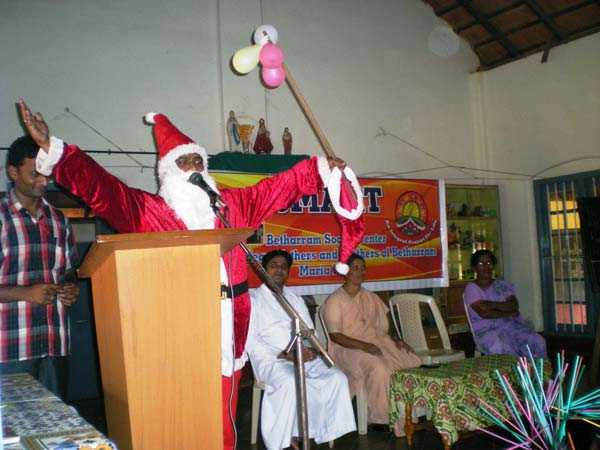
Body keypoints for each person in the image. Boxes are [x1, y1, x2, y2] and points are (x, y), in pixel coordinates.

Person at [18, 99, 364, 450]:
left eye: (198, 161)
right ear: (167, 171)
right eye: (183, 161)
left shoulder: (230, 207)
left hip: (229, 333)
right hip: (177, 336)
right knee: (181, 423)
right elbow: (104, 190)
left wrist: (319, 170)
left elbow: (276, 189)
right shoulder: (150, 212)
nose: (193, 168)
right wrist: (57, 152)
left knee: (223, 423)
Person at [246, 250, 356, 450]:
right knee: (291, 381)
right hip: (271, 359)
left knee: (336, 377)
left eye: (283, 267)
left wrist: (311, 350)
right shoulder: (253, 299)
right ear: (263, 270)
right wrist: (287, 355)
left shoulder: (295, 299)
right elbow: (251, 342)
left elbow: (309, 332)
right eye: (274, 265)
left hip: (299, 354)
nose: (279, 270)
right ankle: (286, 436)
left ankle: (315, 431)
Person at [0, 135, 80, 399]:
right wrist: (25, 293)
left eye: (46, 173)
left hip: (54, 344)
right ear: (13, 172)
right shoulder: (2, 219)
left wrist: (70, 287)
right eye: (34, 173)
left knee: (57, 423)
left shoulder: (60, 220)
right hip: (9, 350)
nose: (44, 181)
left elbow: (68, 270)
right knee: (12, 425)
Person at [322, 253, 421, 437]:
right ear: (345, 272)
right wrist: (364, 346)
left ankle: (410, 414)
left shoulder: (371, 296)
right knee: (379, 368)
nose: (360, 272)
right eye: (355, 268)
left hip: (376, 342)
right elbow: (335, 336)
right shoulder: (335, 300)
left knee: (412, 360)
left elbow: (385, 325)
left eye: (363, 268)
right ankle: (379, 418)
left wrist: (397, 340)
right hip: (347, 349)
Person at [463, 249, 546, 358]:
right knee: (501, 346)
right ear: (474, 268)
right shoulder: (471, 288)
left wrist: (491, 305)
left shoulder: (502, 285)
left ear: (493, 266)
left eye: (489, 263)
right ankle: (512, 369)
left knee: (537, 340)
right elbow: (484, 313)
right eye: (481, 263)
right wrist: (508, 312)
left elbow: (514, 305)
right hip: (487, 330)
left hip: (511, 326)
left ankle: (536, 369)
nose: (486, 266)